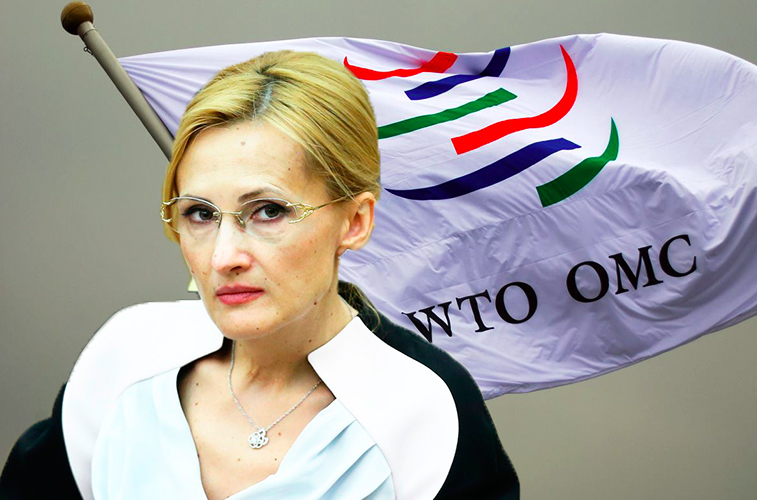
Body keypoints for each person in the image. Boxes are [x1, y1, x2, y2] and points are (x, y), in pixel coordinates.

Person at [0, 50, 519, 499]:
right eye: (200, 213)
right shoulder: (126, 359)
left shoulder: (425, 410)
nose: (223, 256)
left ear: (355, 221)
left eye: (269, 211)